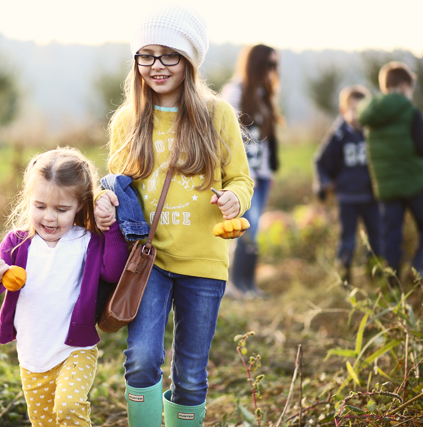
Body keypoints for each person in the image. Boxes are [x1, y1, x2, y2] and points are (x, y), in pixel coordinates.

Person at [96, 5, 253, 426]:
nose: (157, 66)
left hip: (204, 262)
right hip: (148, 262)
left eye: (170, 55)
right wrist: (105, 202)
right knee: (142, 359)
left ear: (189, 60)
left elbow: (241, 179)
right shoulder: (128, 120)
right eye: (146, 55)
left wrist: (235, 200)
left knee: (190, 372)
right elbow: (118, 184)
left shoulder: (215, 115)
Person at [0, 147, 129, 427]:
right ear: (29, 201)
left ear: (80, 207)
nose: (49, 217)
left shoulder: (87, 241)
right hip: (33, 354)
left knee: (69, 407)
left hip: (74, 349)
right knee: (45, 422)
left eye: (61, 210)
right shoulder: (17, 243)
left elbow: (113, 272)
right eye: (40, 207)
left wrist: (110, 229)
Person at [220, 44, 282, 296]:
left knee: (253, 230)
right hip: (244, 176)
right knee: (246, 227)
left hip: (262, 173)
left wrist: (269, 172)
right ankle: (237, 285)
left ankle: (248, 284)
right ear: (255, 64)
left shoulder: (263, 93)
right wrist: (242, 174)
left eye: (276, 65)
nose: (273, 70)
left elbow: (265, 140)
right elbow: (223, 135)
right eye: (269, 64)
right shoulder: (234, 92)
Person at [358, 61, 423, 286]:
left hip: (386, 186)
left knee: (391, 234)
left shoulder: (372, 114)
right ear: (406, 86)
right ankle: (418, 268)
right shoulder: (410, 111)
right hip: (415, 182)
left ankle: (393, 283)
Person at [314, 85, 382, 284]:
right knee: (348, 241)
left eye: (362, 110)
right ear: (343, 111)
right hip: (347, 196)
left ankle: (376, 278)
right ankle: (345, 281)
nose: (358, 115)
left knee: (376, 239)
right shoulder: (338, 135)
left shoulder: (372, 133)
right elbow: (320, 161)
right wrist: (325, 184)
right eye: (353, 110)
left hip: (371, 195)